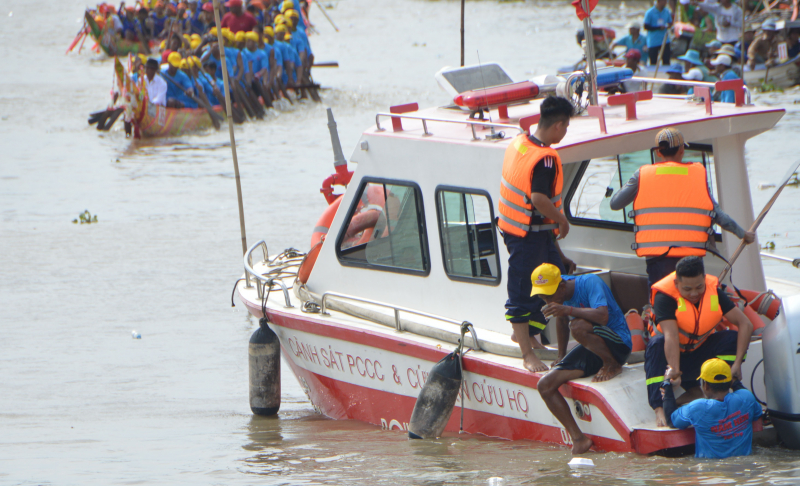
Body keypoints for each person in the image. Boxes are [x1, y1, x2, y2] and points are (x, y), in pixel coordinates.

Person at [609, 127, 755, 286]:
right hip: (691, 259)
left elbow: (615, 204)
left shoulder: (641, 175)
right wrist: (743, 234)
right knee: (691, 297)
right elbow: (719, 216)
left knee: (661, 299)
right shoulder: (696, 175)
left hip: (658, 259)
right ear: (681, 150)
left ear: (658, 152)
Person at [497, 96, 577, 374]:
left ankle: (531, 336)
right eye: (566, 127)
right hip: (525, 237)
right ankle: (527, 353)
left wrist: (557, 248)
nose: (565, 133)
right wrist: (562, 220)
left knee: (558, 278)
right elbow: (539, 198)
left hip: (528, 232)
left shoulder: (520, 142)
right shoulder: (545, 160)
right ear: (558, 126)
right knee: (521, 292)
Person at [534, 264, 632, 454]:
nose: (547, 301)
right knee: (544, 385)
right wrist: (561, 356)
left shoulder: (589, 283)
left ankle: (612, 364)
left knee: (577, 326)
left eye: (549, 296)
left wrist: (567, 309)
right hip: (593, 347)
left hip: (618, 344)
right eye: (542, 297)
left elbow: (602, 316)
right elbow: (562, 320)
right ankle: (579, 439)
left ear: (562, 286)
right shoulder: (559, 294)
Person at [644, 256, 754, 426]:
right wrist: (675, 372)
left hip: (697, 356)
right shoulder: (664, 297)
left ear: (704, 280)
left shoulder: (713, 291)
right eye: (687, 289)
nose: (694, 293)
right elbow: (671, 336)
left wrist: (737, 363)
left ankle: (717, 389)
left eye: (699, 287)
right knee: (656, 344)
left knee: (731, 338)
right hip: (670, 360)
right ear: (676, 284)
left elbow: (746, 324)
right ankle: (659, 408)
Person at [667, 358, 763, 458]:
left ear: (706, 385)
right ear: (729, 382)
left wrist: (667, 383)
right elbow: (757, 413)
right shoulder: (747, 398)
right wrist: (735, 382)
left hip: (709, 467)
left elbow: (671, 421)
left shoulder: (698, 408)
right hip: (744, 464)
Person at [644, 0, 673, 65]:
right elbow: (646, 26)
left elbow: (670, 22)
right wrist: (658, 28)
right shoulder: (650, 12)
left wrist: (668, 25)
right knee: (653, 62)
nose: (666, 3)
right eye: (664, 1)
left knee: (666, 61)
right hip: (653, 41)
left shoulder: (667, 11)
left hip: (665, 40)